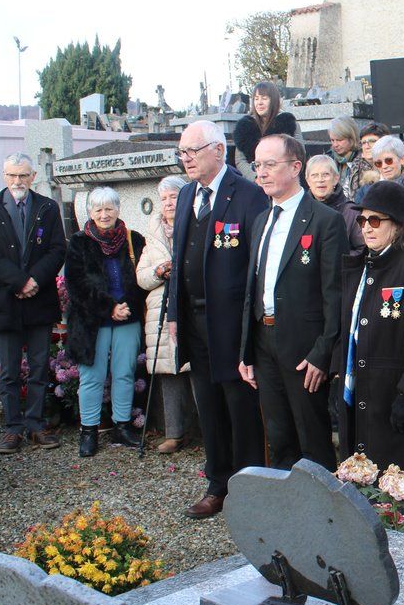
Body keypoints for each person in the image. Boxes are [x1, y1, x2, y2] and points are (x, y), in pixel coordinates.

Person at [167, 120, 269, 519]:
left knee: (240, 409)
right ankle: (218, 483)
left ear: (219, 151)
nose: (186, 159)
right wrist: (175, 313)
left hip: (231, 323)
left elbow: (255, 267)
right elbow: (178, 262)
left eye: (192, 151)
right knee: (208, 406)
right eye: (182, 153)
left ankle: (248, 484)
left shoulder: (247, 195)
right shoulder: (187, 194)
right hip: (194, 322)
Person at [238, 134, 347, 471]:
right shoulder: (261, 220)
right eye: (258, 165)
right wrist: (246, 351)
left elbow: (335, 293)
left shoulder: (324, 220)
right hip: (264, 342)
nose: (261, 173)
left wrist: (322, 352)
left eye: (270, 165)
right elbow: (253, 289)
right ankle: (287, 512)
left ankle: (322, 515)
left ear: (296, 167)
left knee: (312, 438)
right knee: (279, 434)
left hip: (304, 350)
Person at [332, 180, 404, 484]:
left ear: (397, 225)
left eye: (374, 220)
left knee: (401, 482)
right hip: (366, 387)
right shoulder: (361, 264)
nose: (366, 228)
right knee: (365, 478)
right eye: (361, 220)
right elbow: (349, 326)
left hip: (397, 390)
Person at [0, 153, 67, 454]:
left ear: (33, 175)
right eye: (12, 175)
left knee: (40, 366)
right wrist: (18, 281)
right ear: (4, 176)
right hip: (5, 300)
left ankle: (36, 424)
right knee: (9, 369)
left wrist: (34, 280)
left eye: (23, 175)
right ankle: (13, 428)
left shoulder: (47, 207)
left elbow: (56, 249)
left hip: (38, 299)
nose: (18, 181)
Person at [64, 187, 147, 457]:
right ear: (89, 212)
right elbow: (76, 284)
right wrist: (108, 307)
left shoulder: (134, 240)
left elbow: (142, 280)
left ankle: (121, 427)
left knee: (124, 374)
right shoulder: (79, 242)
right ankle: (89, 430)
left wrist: (125, 308)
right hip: (92, 320)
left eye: (109, 208)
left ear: (118, 209)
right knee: (92, 377)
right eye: (98, 209)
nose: (104, 214)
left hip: (127, 317)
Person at [136, 175, 195, 454]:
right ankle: (174, 433)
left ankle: (207, 430)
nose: (169, 203)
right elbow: (142, 277)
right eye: (164, 198)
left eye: (174, 197)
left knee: (196, 369)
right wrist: (159, 271)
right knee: (168, 372)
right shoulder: (154, 233)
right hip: (160, 308)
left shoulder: (196, 224)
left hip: (189, 305)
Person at [232, 81, 299, 179]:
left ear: (274, 100)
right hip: (256, 182)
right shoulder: (245, 126)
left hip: (283, 179)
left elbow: (299, 153)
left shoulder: (288, 123)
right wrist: (256, 178)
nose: (259, 103)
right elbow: (240, 160)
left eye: (264, 98)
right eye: (256, 99)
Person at [307, 154, 364, 253]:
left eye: (325, 174)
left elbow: (362, 250)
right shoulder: (300, 210)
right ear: (308, 181)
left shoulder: (351, 212)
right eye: (314, 175)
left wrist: (335, 259)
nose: (320, 180)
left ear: (336, 178)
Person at [358, 136, 404, 212]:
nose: (384, 166)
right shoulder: (366, 190)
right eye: (378, 163)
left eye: (388, 160)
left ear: (402, 159)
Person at [326, 115, 373, 201]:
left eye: (339, 140)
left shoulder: (365, 161)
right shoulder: (327, 160)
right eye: (332, 140)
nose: (335, 145)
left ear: (351, 138)